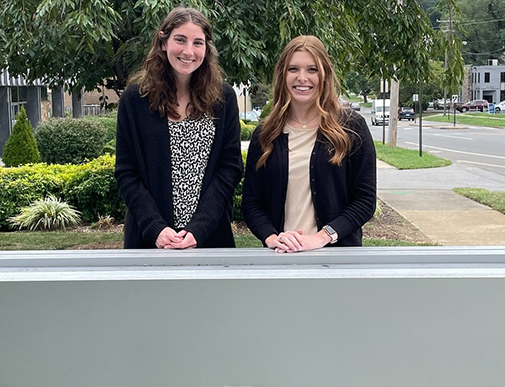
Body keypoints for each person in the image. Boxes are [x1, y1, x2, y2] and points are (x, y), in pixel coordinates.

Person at [114, 7, 242, 249]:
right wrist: (156, 228)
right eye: (180, 40)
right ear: (163, 42)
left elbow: (230, 169)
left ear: (206, 48)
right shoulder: (136, 98)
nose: (188, 51)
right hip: (150, 240)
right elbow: (126, 172)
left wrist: (199, 229)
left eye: (198, 43)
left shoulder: (223, 98)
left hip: (210, 238)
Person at [242, 36, 376, 253]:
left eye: (312, 69)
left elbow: (365, 200)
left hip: (337, 258)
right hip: (280, 256)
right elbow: (252, 203)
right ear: (282, 74)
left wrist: (322, 237)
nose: (302, 78)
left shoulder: (351, 128)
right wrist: (272, 238)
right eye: (293, 69)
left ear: (325, 74)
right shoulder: (265, 135)